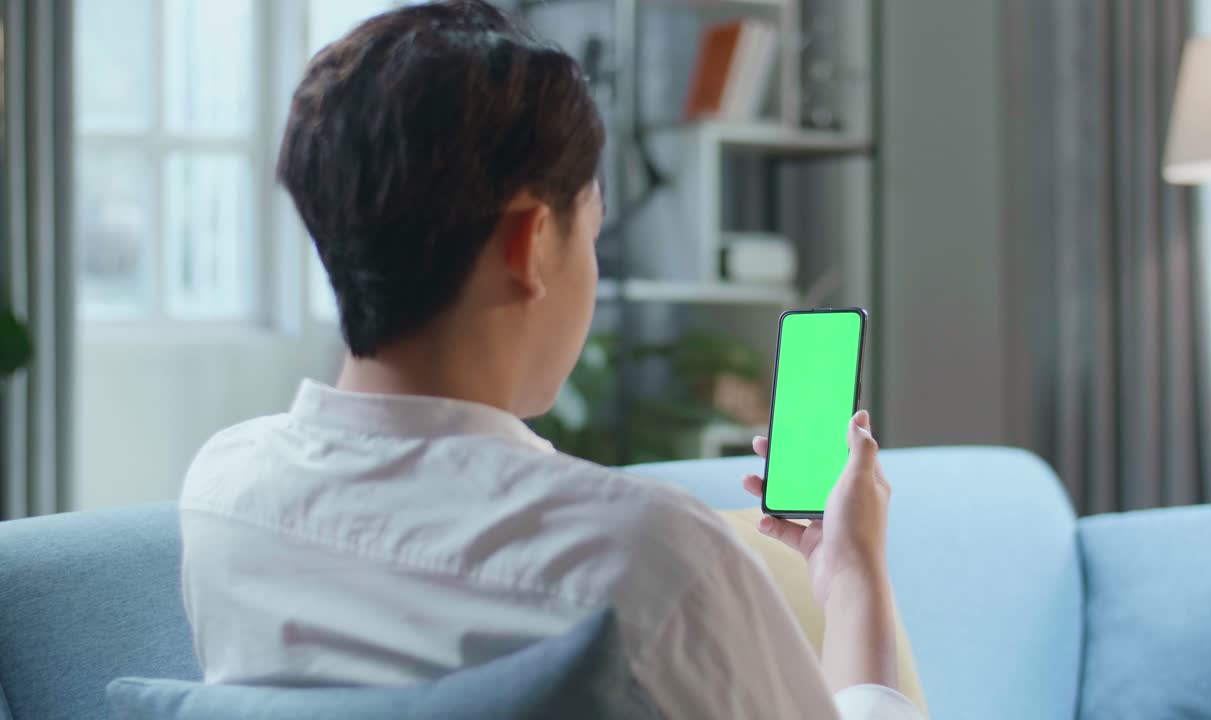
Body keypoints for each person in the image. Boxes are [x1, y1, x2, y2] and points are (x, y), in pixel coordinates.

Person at [179, 2, 920, 718]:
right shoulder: (647, 557)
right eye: (590, 233)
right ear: (530, 243)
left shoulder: (224, 491)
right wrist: (855, 580)